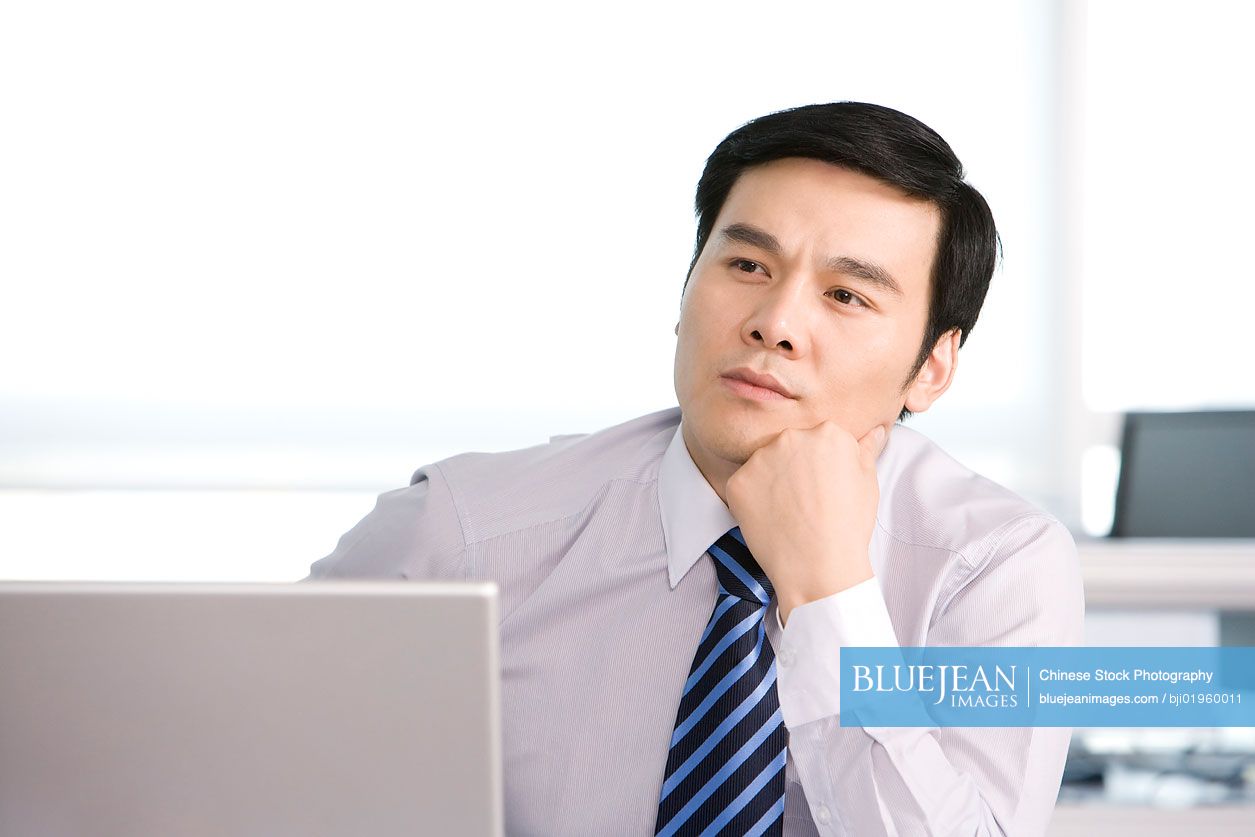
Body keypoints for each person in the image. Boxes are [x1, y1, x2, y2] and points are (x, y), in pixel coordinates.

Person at [307, 102, 1084, 836]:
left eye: (845, 294)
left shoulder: (997, 567)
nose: (773, 323)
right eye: (746, 264)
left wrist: (830, 593)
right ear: (686, 288)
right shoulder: (465, 531)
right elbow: (253, 761)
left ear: (932, 367)